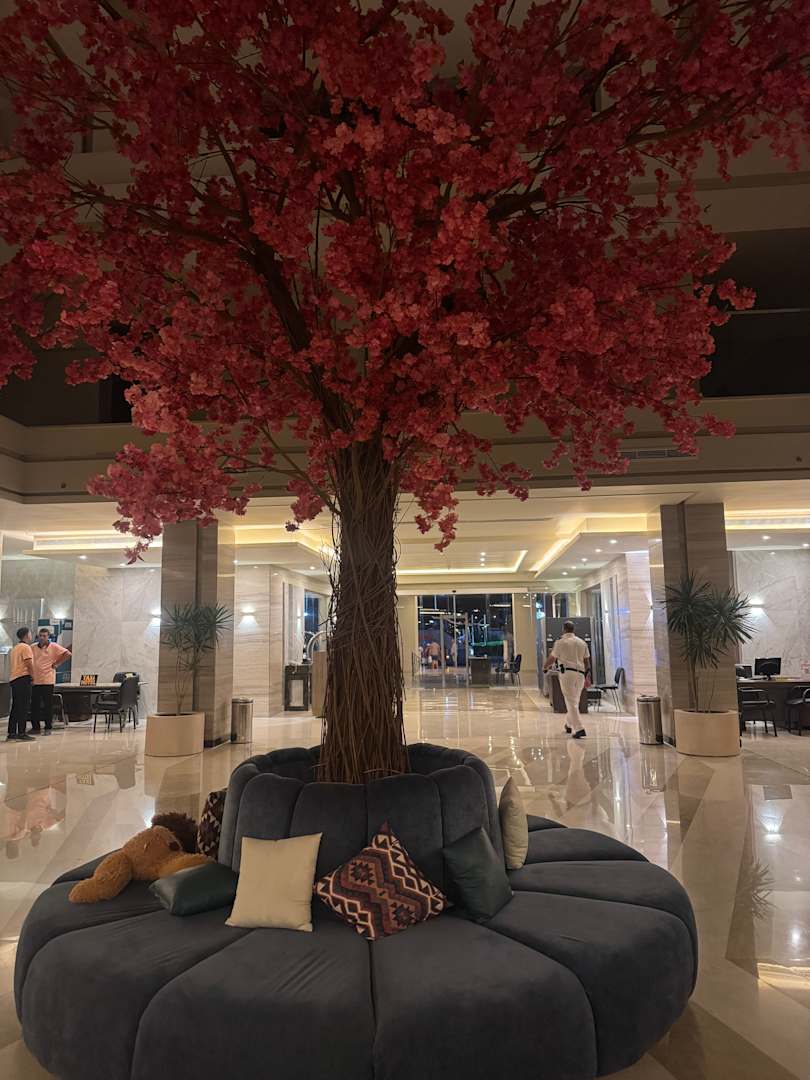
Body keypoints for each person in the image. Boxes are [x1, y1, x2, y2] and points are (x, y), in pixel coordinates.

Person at [543, 620, 590, 739]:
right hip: (580, 674)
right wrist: (587, 676)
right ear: (573, 629)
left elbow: (552, 658)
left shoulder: (560, 642)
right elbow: (586, 662)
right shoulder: (582, 643)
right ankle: (568, 724)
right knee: (575, 701)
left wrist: (545, 667)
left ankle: (579, 729)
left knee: (571, 701)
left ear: (563, 629)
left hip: (567, 673)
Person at [30, 627, 71, 735]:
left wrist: (57, 663)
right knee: (34, 705)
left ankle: (48, 726)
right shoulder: (33, 647)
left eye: (44, 636)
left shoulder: (54, 646)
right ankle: (35, 727)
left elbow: (67, 654)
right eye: (40, 636)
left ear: (48, 637)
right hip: (35, 681)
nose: (42, 638)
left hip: (47, 680)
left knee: (48, 705)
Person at [8, 627, 35, 742]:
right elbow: (29, 663)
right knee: (23, 707)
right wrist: (33, 677)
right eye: (30, 633)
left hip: (14, 679)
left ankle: (12, 732)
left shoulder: (15, 648)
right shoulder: (26, 647)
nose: (31, 635)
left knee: (15, 706)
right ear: (26, 635)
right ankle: (22, 733)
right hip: (23, 679)